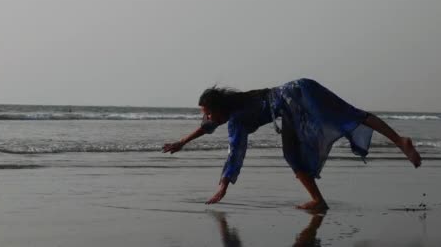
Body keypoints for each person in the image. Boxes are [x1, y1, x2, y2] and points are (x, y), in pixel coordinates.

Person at [162, 78, 421, 211]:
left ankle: (318, 200)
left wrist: (223, 186)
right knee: (345, 116)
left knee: (342, 119)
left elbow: (235, 152)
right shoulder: (236, 106)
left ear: (217, 108)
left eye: (207, 112)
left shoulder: (237, 119)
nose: (205, 117)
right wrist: (182, 141)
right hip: (301, 88)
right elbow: (209, 127)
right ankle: (399, 141)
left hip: (296, 99)